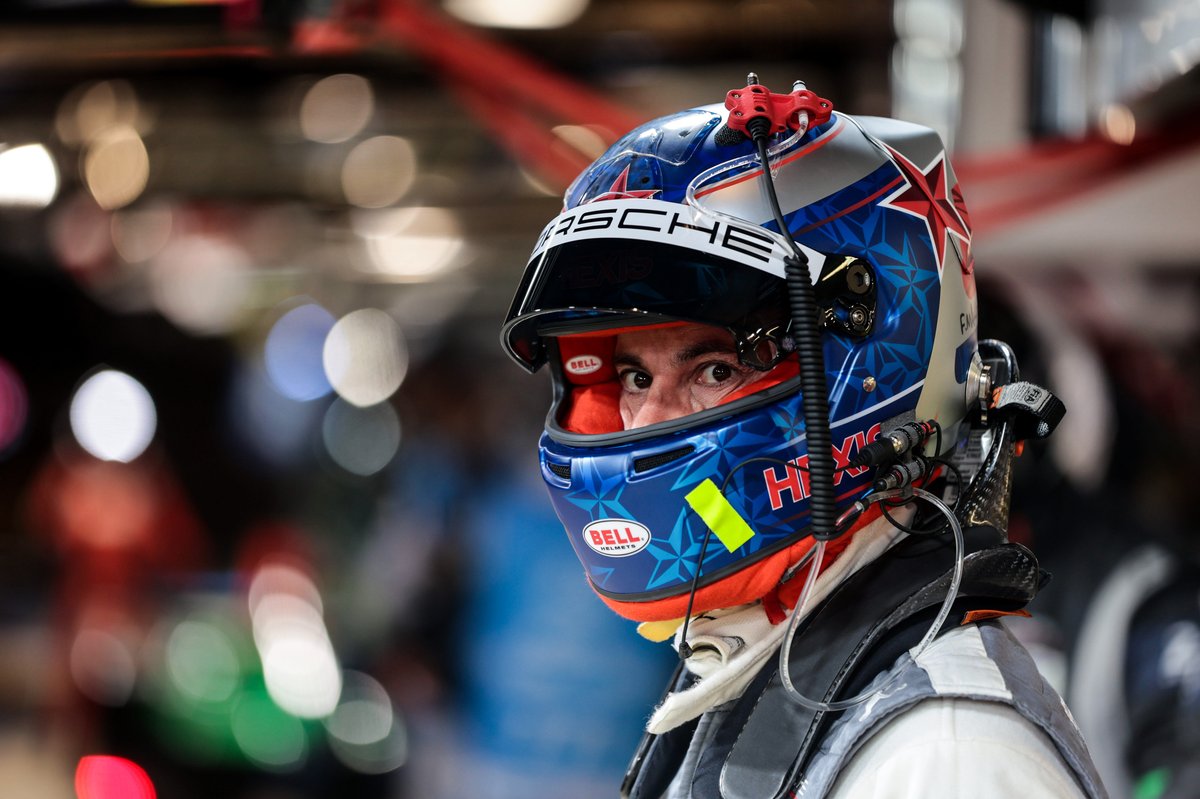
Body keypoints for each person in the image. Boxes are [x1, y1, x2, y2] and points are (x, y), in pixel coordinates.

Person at [500, 76, 1108, 798]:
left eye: (715, 368)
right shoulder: (757, 662)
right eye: (632, 378)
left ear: (868, 371)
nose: (647, 421)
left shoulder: (942, 760)